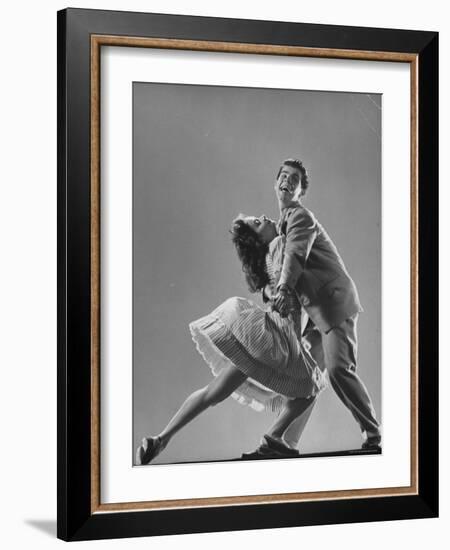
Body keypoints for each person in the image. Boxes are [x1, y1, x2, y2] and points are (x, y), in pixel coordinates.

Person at [135, 214, 327, 465]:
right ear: (258, 240)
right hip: (278, 339)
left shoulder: (270, 261)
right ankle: (275, 438)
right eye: (258, 223)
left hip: (264, 339)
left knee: (213, 392)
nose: (264, 217)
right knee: (311, 388)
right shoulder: (280, 246)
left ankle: (161, 439)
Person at [265, 158, 381, 451]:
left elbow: (295, 258)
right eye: (284, 176)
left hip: (334, 306)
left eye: (295, 179)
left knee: (339, 370)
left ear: (301, 191)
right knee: (307, 379)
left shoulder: (300, 217)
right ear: (275, 182)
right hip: (318, 316)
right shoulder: (284, 226)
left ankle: (373, 434)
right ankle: (284, 441)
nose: (288, 181)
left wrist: (281, 288)